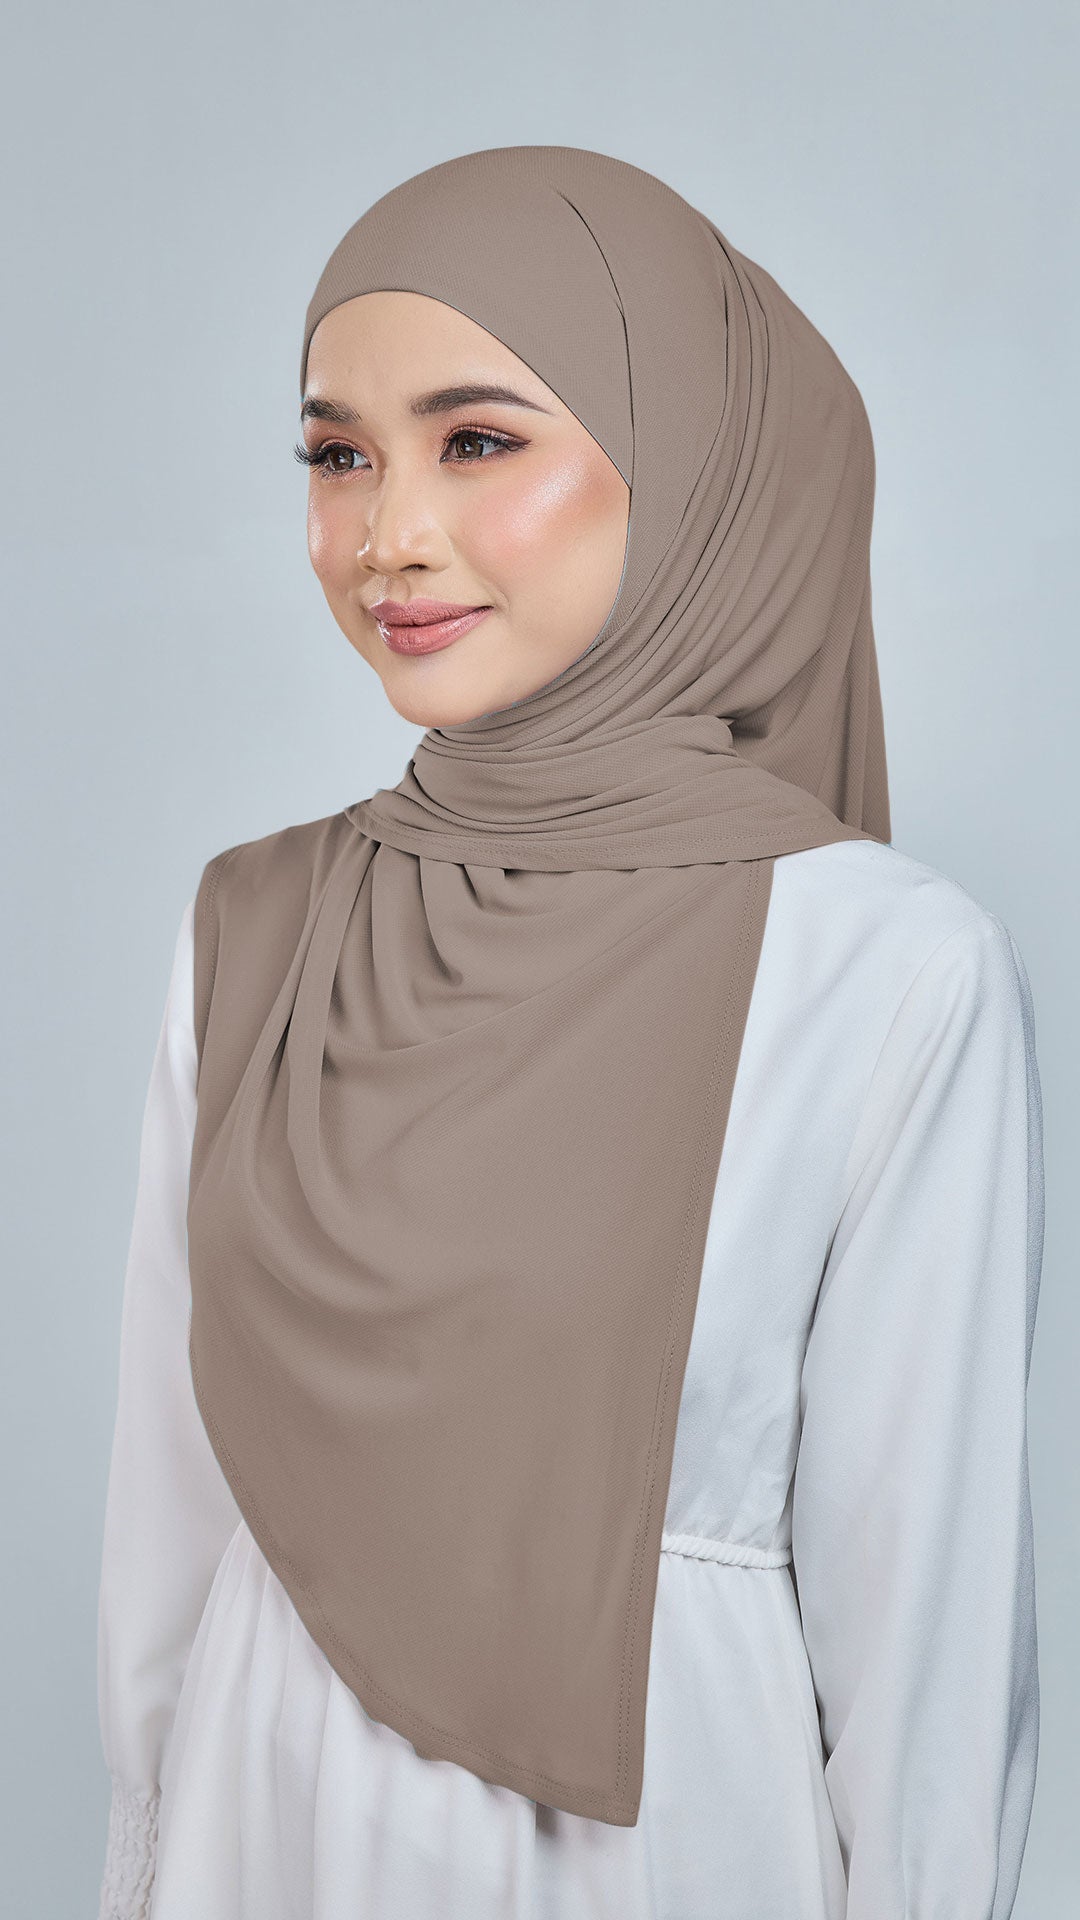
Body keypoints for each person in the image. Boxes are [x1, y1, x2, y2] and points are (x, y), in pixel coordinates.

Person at [96, 147, 1044, 1920]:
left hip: (658, 1846)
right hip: (260, 1825)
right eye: (337, 455)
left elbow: (922, 1623)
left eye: (476, 439)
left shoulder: (885, 970)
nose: (390, 534)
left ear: (685, 460)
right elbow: (174, 1521)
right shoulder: (252, 929)